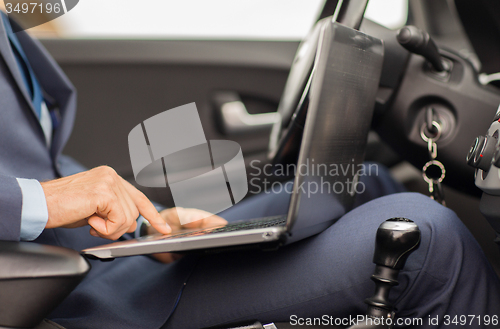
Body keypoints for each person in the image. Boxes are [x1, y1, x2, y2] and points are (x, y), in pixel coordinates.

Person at [0, 11, 499, 329]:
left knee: (361, 184)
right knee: (426, 236)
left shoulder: (11, 32)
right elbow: (39, 188)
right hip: (59, 292)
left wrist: (147, 222)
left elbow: (35, 162)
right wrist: (37, 203)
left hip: (105, 256)